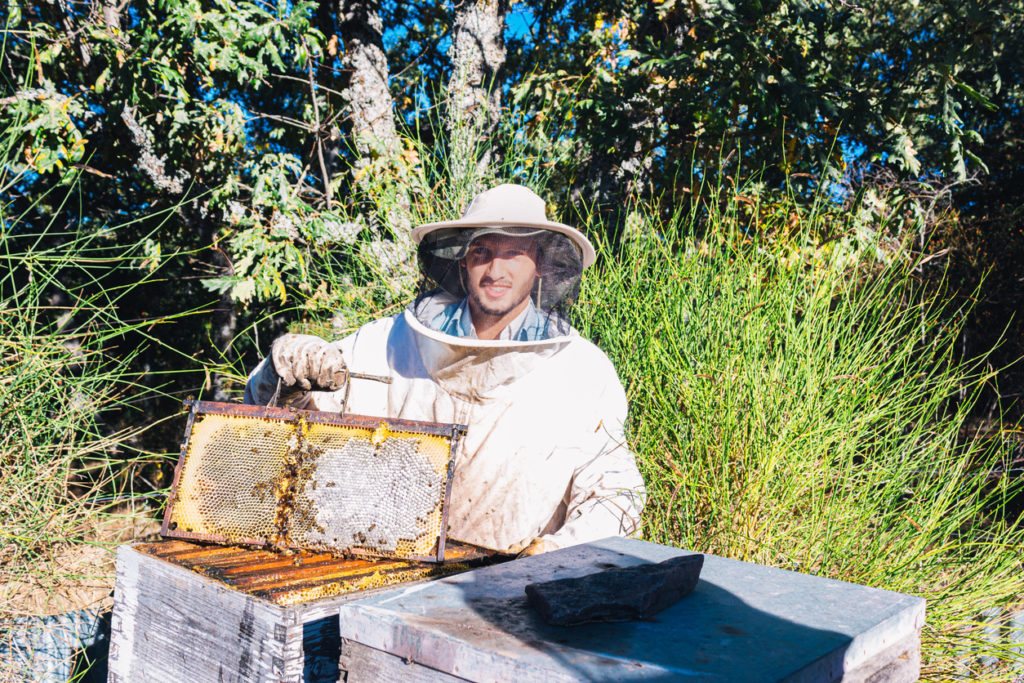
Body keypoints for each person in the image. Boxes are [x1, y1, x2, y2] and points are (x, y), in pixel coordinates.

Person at [244, 184, 644, 556]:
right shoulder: (390, 341)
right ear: (463, 259)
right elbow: (277, 425)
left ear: (540, 263)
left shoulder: (581, 370)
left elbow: (615, 492)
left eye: (513, 254)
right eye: (483, 252)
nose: (496, 271)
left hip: (506, 588)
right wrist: (280, 370)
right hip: (374, 560)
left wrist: (555, 556)